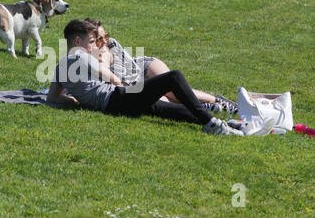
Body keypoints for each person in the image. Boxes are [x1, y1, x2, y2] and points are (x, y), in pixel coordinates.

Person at [46, 19, 272, 136]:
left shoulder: (59, 67)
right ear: (77, 42)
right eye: (90, 41)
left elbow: (53, 99)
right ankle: (213, 124)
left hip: (114, 105)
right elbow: (113, 80)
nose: (94, 45)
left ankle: (235, 126)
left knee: (171, 111)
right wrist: (134, 87)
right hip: (117, 98)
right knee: (172, 78)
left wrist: (78, 100)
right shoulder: (81, 57)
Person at [84, 18, 238, 114]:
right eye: (98, 39)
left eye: (106, 36)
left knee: (172, 91)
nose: (104, 41)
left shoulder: (109, 43)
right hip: (135, 83)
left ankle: (217, 101)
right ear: (90, 40)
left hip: (143, 66)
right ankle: (206, 106)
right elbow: (104, 70)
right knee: (163, 97)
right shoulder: (95, 56)